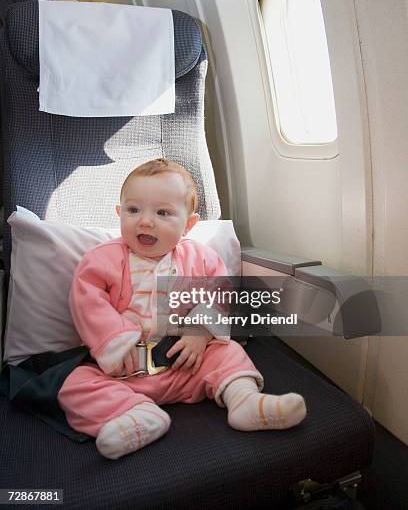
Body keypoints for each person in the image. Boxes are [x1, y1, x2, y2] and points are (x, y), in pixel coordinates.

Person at [58, 158, 306, 459]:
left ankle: (244, 402)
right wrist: (116, 343)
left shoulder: (201, 258)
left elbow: (218, 293)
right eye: (134, 210)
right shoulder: (101, 260)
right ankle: (136, 416)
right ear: (119, 213)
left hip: (185, 363)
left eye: (163, 212)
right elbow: (87, 301)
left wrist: (200, 333)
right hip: (123, 369)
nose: (146, 221)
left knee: (228, 354)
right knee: (74, 384)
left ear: (188, 225)